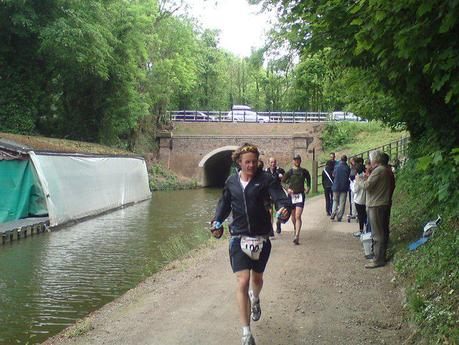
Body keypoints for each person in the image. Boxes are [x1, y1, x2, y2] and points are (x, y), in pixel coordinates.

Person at [211, 143, 292, 345]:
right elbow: (223, 205)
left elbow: (281, 199)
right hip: (238, 237)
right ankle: (246, 333)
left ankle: (255, 299)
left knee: (257, 280)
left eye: (254, 162)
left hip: (261, 238)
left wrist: (284, 210)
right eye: (247, 162)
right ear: (239, 162)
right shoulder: (231, 182)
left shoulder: (266, 179)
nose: (251, 165)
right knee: (243, 281)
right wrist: (216, 222)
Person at [358, 150, 393, 269]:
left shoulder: (379, 170)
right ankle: (381, 256)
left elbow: (366, 186)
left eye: (371, 160)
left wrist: (359, 180)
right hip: (382, 203)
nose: (370, 162)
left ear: (375, 160)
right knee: (382, 231)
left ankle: (378, 259)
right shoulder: (385, 170)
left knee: (377, 233)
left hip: (376, 205)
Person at [282, 154, 311, 245]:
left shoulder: (304, 171)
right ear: (293, 161)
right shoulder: (289, 172)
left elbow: (308, 178)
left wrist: (308, 187)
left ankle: (297, 236)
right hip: (291, 196)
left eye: (298, 159)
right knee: (293, 216)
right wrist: (287, 189)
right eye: (296, 160)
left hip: (300, 196)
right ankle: (295, 228)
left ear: (300, 161)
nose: (297, 161)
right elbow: (282, 182)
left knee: (298, 215)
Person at [265, 157, 286, 234]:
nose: (273, 164)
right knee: (270, 212)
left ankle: (278, 223)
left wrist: (282, 178)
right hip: (268, 194)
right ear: (268, 163)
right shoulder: (265, 171)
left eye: (274, 162)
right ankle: (270, 230)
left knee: (280, 211)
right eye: (271, 162)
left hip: (278, 194)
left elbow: (285, 179)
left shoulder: (280, 170)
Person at [330, 155, 350, 221]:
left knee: (335, 201)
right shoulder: (347, 167)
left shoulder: (336, 166)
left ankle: (333, 213)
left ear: (341, 160)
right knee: (342, 202)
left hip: (336, 186)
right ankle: (339, 216)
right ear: (346, 160)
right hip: (344, 187)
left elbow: (333, 175)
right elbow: (348, 176)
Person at [352, 161, 367, 237]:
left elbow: (355, 190)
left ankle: (361, 230)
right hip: (365, 199)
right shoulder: (366, 176)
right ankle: (366, 229)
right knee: (365, 215)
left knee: (361, 216)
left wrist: (354, 183)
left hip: (359, 199)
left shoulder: (358, 178)